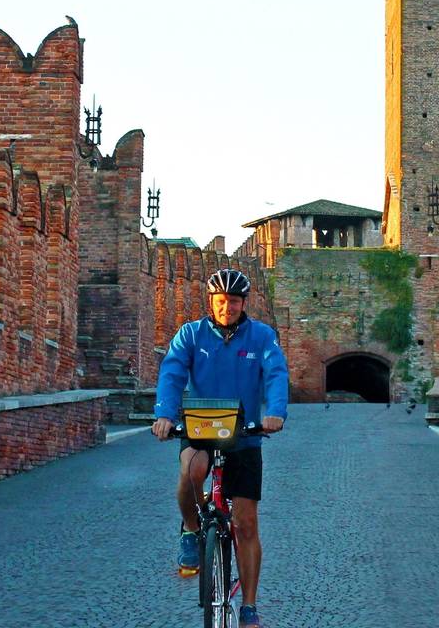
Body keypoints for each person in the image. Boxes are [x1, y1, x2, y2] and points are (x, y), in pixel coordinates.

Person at [152, 268, 289, 628]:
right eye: (221, 300)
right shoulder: (191, 335)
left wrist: (275, 412)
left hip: (245, 433)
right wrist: (166, 415)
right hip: (200, 426)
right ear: (211, 302)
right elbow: (172, 374)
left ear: (245, 303)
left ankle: (249, 606)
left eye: (234, 300)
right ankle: (189, 528)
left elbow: (276, 374)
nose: (227, 306)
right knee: (191, 472)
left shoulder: (262, 337)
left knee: (245, 523)